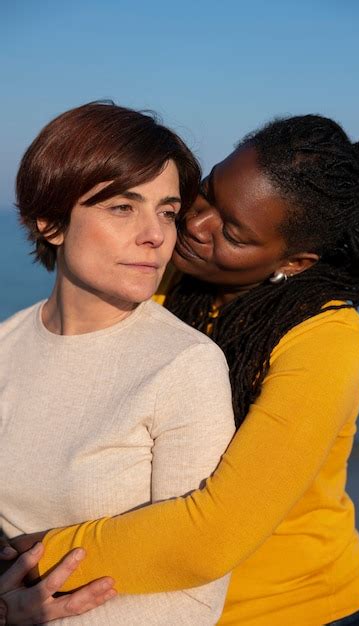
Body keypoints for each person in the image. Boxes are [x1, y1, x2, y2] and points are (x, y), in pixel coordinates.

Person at [4, 115, 359, 625]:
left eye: (233, 233)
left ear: (296, 262)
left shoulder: (325, 338)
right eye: (207, 197)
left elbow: (215, 531)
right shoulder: (161, 274)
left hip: (291, 607)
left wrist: (31, 555)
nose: (193, 228)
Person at [0, 102, 236, 624]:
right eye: (122, 208)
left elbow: (196, 594)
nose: (155, 234)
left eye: (168, 211)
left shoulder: (185, 366)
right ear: (50, 222)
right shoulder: (5, 347)